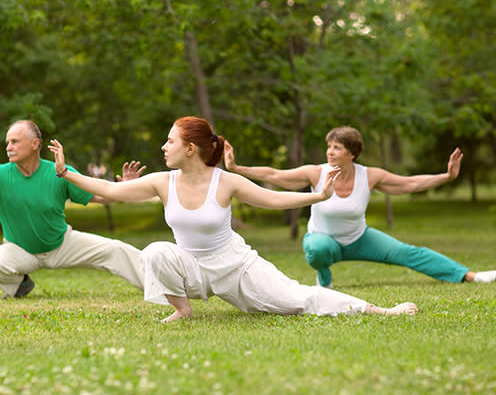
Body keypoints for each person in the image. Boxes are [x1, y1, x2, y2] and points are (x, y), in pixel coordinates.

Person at [48, 117, 418, 322]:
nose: (163, 147)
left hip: (236, 267)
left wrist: (318, 195)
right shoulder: (162, 182)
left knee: (297, 301)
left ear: (189, 148)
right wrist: (66, 173)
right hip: (192, 268)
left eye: (169, 141)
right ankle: (183, 310)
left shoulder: (226, 182)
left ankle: (379, 310)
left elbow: (273, 198)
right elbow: (110, 191)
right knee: (156, 251)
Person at [224, 126, 496, 288]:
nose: (330, 151)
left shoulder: (370, 175)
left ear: (352, 153)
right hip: (324, 240)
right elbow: (274, 175)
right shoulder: (315, 173)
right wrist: (237, 168)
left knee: (410, 253)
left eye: (337, 147)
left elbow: (409, 184)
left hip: (359, 238)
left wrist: (446, 177)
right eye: (329, 146)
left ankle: (470, 276)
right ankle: (324, 277)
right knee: (318, 250)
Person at [0, 120, 146, 299]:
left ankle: (159, 286)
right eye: (7, 142)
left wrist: (125, 187)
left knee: (116, 249)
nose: (8, 146)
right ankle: (20, 286)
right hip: (20, 250)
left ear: (35, 144)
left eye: (15, 141)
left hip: (62, 244)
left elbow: (99, 196)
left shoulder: (59, 172)